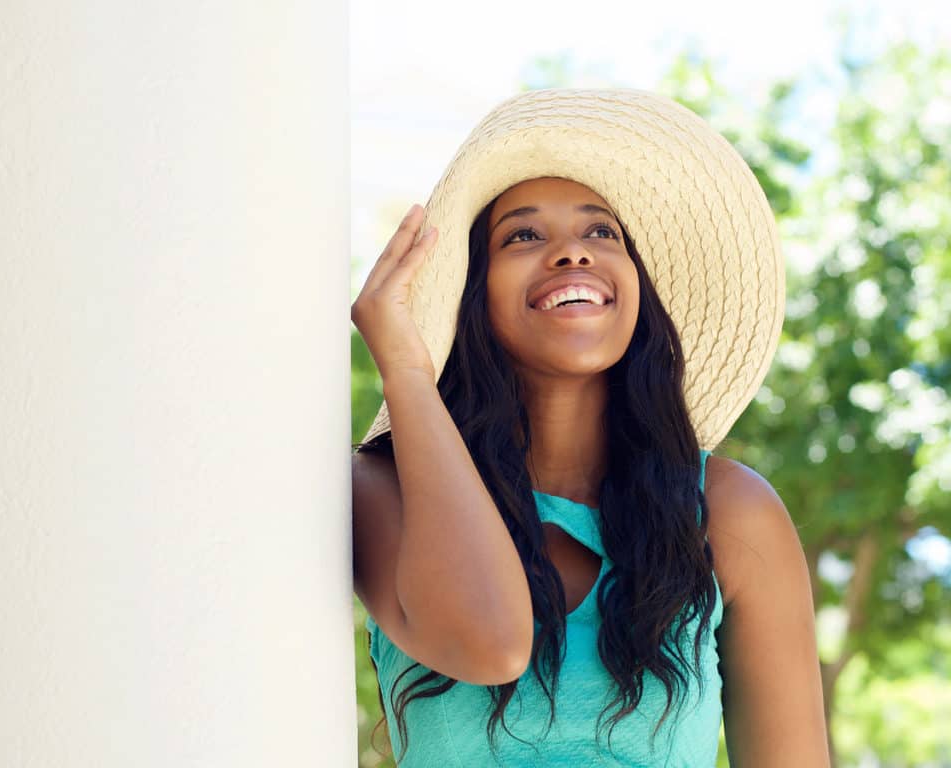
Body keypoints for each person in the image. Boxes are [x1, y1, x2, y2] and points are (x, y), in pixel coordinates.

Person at [350, 88, 830, 767]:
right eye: (523, 236)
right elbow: (490, 645)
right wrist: (405, 370)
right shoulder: (379, 488)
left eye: (601, 232)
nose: (573, 253)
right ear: (467, 292)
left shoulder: (729, 512)